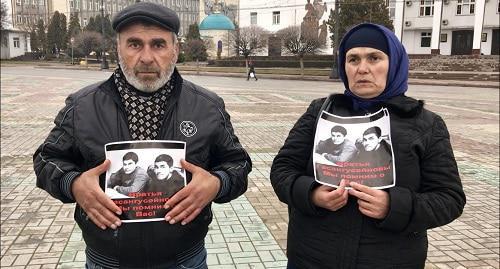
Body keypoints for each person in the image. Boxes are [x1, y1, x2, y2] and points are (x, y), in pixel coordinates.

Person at [33, 2, 252, 269]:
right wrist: (73, 184)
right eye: (135, 44)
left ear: (175, 50)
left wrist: (218, 183)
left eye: (158, 45)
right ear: (118, 48)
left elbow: (238, 164)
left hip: (185, 260)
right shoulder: (83, 106)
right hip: (107, 260)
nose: (147, 57)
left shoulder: (207, 106)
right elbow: (46, 160)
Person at [270, 23, 465, 269]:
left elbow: (450, 199)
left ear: (393, 63)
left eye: (374, 58)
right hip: (311, 257)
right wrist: (311, 194)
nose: (362, 69)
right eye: (353, 59)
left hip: (391, 260)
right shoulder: (319, 112)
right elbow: (282, 170)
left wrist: (394, 206)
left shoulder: (425, 124)